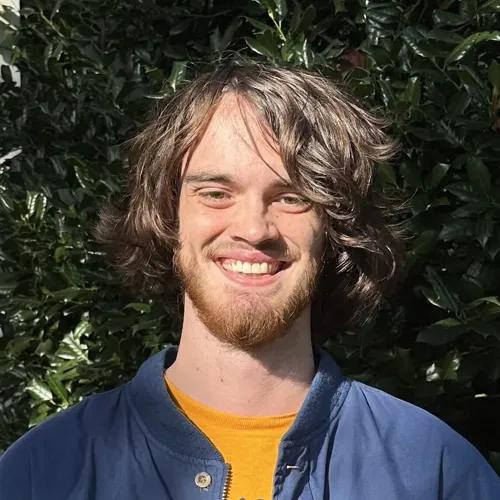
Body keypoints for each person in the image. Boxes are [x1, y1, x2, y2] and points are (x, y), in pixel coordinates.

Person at [0, 62, 498, 500]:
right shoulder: (43, 474)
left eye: (292, 197)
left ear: (336, 229)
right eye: (216, 193)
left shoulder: (435, 472)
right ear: (167, 218)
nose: (254, 229)